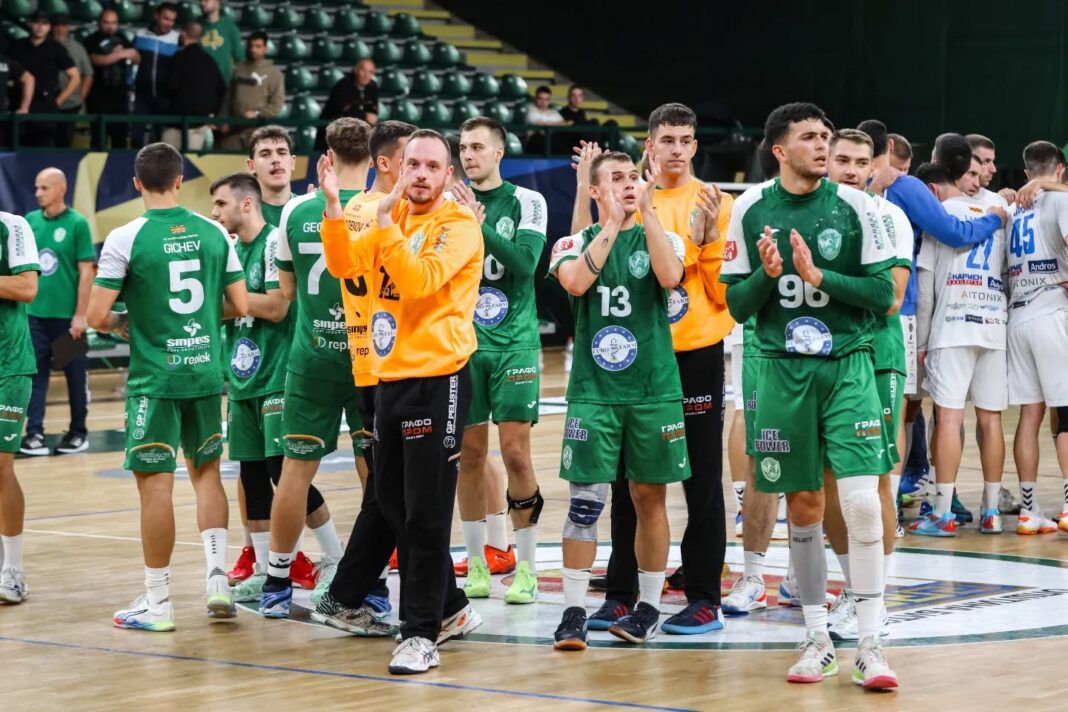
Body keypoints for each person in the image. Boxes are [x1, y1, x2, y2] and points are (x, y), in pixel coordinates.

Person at [722, 102, 899, 689]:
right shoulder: (749, 208)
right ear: (779, 149)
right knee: (803, 505)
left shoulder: (858, 206)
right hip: (781, 369)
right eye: (810, 137)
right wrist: (768, 275)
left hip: (848, 365)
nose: (823, 145)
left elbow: (884, 295)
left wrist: (822, 278)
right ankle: (817, 638)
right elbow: (736, 306)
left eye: (826, 135)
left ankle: (871, 643)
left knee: (862, 502)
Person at [318, 128, 484, 675]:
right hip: (389, 378)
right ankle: (452, 608)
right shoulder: (395, 217)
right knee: (391, 503)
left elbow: (417, 281)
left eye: (433, 166)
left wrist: (386, 225)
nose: (421, 174)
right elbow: (346, 268)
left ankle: (420, 634)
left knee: (427, 514)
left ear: (448, 175)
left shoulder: (457, 225)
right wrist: (334, 210)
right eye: (413, 164)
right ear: (397, 167)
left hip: (439, 380)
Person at [570, 103, 734, 635]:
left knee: (701, 478)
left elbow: (722, 293)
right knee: (629, 483)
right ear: (650, 145)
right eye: (668, 140)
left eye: (686, 140)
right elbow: (587, 260)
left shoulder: (716, 202)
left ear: (695, 145)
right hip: (634, 358)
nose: (677, 150)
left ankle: (704, 596)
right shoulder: (628, 194)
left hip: (695, 353)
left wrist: (707, 243)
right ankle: (622, 594)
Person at [87, 142, 249, 631]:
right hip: (205, 373)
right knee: (207, 474)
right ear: (180, 180)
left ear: (137, 183)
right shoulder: (214, 232)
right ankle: (218, 580)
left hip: (155, 379)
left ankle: (158, 602)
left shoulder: (125, 237)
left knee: (156, 485)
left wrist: (125, 323)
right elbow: (241, 305)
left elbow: (96, 316)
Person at [550, 150, 689, 650]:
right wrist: (610, 223)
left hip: (653, 391)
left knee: (649, 497)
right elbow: (575, 282)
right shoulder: (572, 242)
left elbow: (671, 278)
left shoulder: (663, 236)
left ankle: (648, 606)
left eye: (634, 176)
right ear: (594, 190)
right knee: (585, 504)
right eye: (615, 178)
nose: (629, 184)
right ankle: (572, 611)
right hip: (595, 393)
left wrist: (645, 213)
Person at [256, 120, 373, 617]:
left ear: (327, 154)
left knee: (294, 472)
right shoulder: (382, 207)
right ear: (374, 156)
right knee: (377, 475)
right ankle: (371, 579)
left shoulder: (295, 211)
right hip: (368, 359)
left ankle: (276, 583)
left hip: (312, 358)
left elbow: (285, 291)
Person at [315, 120, 418, 631]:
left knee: (389, 492)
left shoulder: (355, 209)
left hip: (377, 362)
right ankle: (431, 602)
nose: (418, 170)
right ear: (384, 163)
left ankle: (349, 594)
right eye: (410, 160)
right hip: (389, 366)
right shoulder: (381, 211)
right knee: (399, 494)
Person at [448, 116, 547, 605]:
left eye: (478, 147)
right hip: (463, 345)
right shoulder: (447, 204)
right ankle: (477, 564)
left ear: (499, 153)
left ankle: (525, 566)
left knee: (515, 454)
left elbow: (526, 265)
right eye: (463, 147)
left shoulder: (528, 201)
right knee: (468, 456)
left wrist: (479, 224)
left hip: (514, 345)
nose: (468, 155)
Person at [821, 128, 913, 641]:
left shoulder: (888, 217)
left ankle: (874, 600)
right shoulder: (812, 216)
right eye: (843, 161)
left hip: (876, 355)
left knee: (874, 479)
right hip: (824, 356)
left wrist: (822, 282)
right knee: (827, 480)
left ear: (875, 167)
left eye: (861, 162)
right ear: (826, 162)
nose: (852, 171)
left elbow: (891, 298)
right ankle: (853, 588)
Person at [208, 172, 299, 605]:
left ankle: (332, 557)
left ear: (246, 203)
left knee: (284, 471)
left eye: (220, 204)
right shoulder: (228, 249)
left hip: (277, 373)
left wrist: (222, 306)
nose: (214, 213)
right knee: (252, 476)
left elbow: (278, 307)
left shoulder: (274, 241)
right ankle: (264, 571)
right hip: (242, 376)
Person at [911, 143, 1008, 537]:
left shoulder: (941, 212)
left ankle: (941, 512)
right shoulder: (1000, 210)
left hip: (952, 324)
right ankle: (992, 510)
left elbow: (926, 286)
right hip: (994, 323)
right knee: (990, 419)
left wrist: (921, 341)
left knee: (949, 417)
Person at [720, 139, 786, 615]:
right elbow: (735, 293)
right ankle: (754, 573)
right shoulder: (751, 204)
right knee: (757, 434)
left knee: (813, 466)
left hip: (821, 349)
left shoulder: (844, 205)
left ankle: (804, 577)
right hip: (759, 336)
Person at [1004, 141, 1068, 533]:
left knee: (1030, 414)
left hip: (1018, 315)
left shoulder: (1014, 209)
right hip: (1052, 311)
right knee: (1066, 411)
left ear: (1027, 173)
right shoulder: (1061, 201)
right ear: (1059, 169)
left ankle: (1028, 509)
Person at [20, 168, 95, 457]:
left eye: (44, 188)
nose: (38, 193)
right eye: (36, 188)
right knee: (35, 375)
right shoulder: (30, 221)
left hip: (67, 319)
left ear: (61, 189)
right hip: (35, 316)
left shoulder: (77, 223)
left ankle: (78, 434)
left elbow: (86, 272)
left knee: (75, 377)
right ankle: (34, 434)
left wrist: (81, 315)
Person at [0, 211, 40, 604]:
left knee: (0, 466)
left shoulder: (11, 226)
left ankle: (12, 571)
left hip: (7, 364)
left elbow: (27, 287)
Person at [11, 12, 78, 147]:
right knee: (17, 146)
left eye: (45, 23)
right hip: (19, 102)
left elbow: (75, 77)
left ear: (49, 27)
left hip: (45, 104)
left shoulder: (56, 48)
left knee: (43, 148)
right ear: (30, 24)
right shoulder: (18, 46)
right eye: (37, 22)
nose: (40, 27)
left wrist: (58, 101)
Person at [162, 21, 226, 152]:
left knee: (168, 162)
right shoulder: (210, 61)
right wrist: (212, 112)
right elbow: (222, 89)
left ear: (184, 35)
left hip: (174, 122)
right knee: (191, 162)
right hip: (199, 123)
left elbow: (170, 87)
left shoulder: (177, 58)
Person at [220, 32, 284, 151]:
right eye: (251, 46)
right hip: (234, 130)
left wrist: (257, 113)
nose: (253, 49)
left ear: (265, 48)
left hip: (259, 130)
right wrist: (223, 119)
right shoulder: (238, 69)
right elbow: (228, 99)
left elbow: (276, 104)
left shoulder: (274, 73)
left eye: (258, 46)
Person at [84, 8, 138, 149]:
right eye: (106, 22)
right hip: (98, 94)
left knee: (120, 138)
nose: (110, 26)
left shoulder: (122, 38)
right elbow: (98, 60)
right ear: (99, 23)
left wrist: (123, 53)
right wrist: (121, 54)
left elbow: (137, 58)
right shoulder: (91, 40)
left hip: (119, 95)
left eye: (114, 23)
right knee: (98, 138)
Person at [132, 2, 179, 146]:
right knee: (137, 134)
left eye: (172, 20)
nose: (169, 24)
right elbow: (131, 61)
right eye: (166, 18)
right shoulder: (140, 35)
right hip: (142, 95)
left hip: (165, 96)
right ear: (156, 16)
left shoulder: (177, 39)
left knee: (161, 137)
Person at [50, 14, 93, 149]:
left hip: (70, 103)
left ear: (68, 27)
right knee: (44, 143)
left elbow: (88, 75)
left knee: (65, 143)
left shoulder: (77, 48)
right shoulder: (44, 45)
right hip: (45, 102)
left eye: (63, 25)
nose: (59, 29)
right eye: (56, 25)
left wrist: (80, 98)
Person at [246, 125, 295, 226]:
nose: (275, 160)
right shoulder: (242, 214)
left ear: (292, 162)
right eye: (265, 154)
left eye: (282, 153)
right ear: (251, 166)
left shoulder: (310, 209)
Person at [323, 58, 379, 125]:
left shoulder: (373, 86)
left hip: (359, 126)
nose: (366, 75)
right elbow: (344, 111)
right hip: (334, 126)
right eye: (363, 70)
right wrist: (364, 116)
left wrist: (372, 116)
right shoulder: (343, 85)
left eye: (370, 72)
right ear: (356, 70)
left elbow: (373, 109)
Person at [198, 0, 242, 82]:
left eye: (206, 0)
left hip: (224, 83)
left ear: (217, 1)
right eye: (200, 0)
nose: (202, 3)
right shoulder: (195, 26)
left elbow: (240, 57)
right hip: (200, 82)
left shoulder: (229, 26)